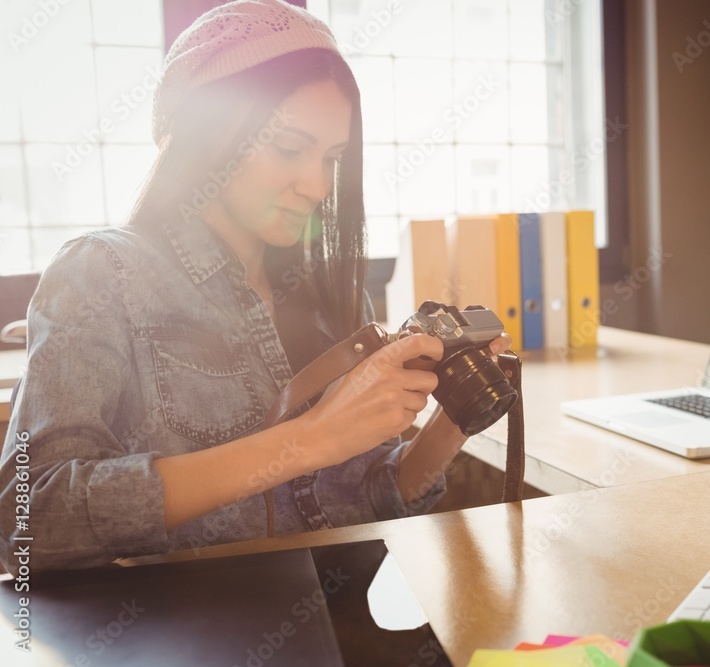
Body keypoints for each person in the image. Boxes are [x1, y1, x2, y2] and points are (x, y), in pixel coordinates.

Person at [0, 0, 509, 573]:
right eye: (289, 148)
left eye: (332, 158)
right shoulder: (102, 273)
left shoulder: (332, 297)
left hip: (343, 626)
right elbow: (31, 518)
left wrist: (454, 420)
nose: (317, 184)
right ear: (206, 134)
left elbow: (368, 499)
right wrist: (310, 438)